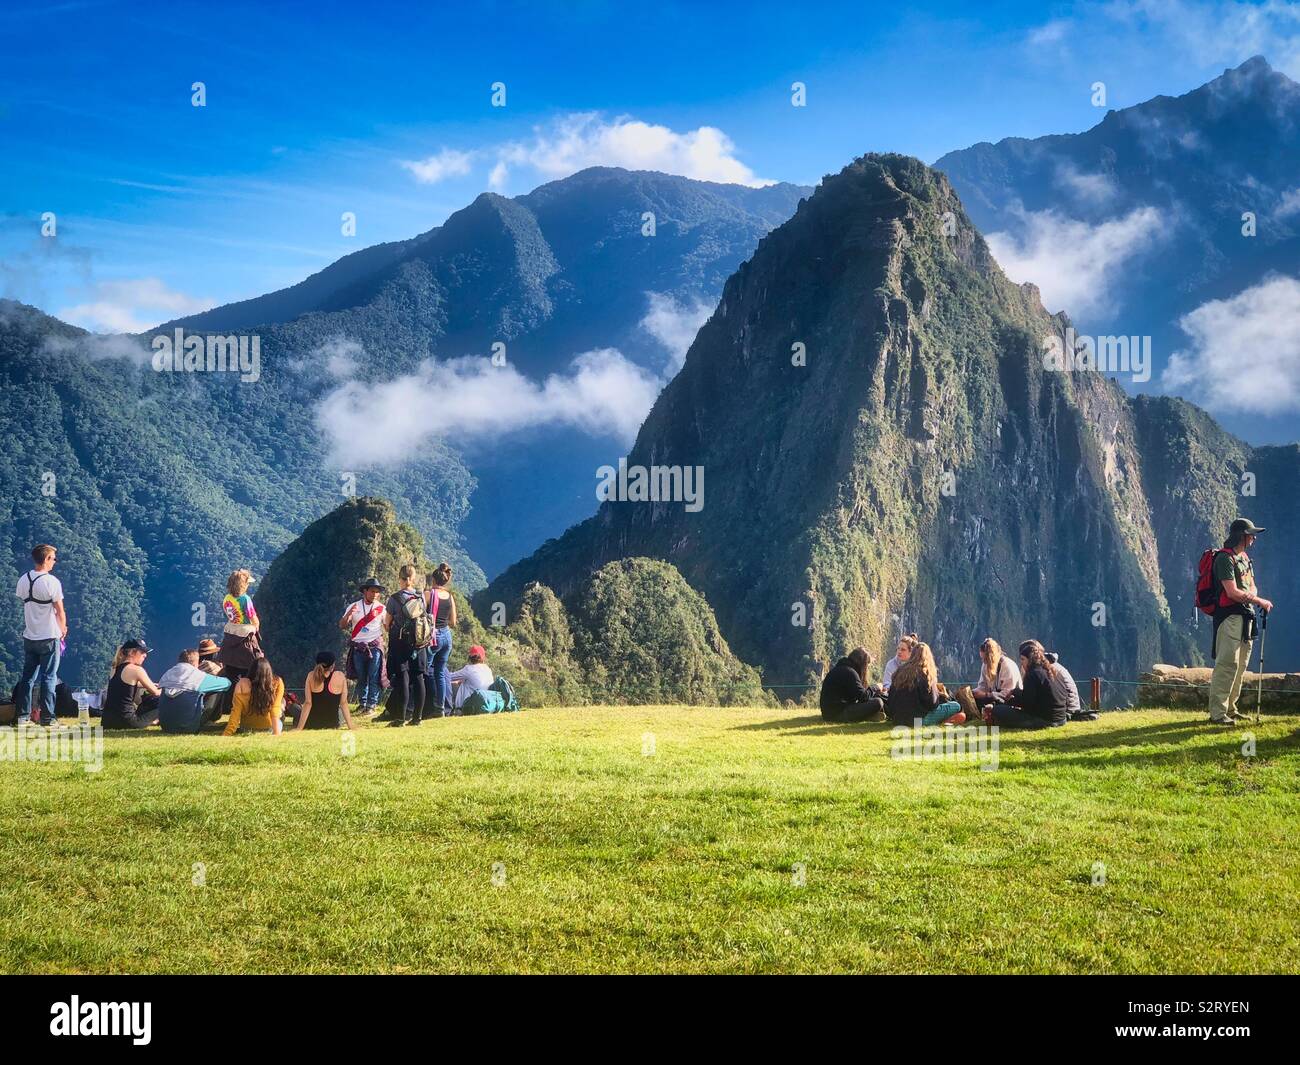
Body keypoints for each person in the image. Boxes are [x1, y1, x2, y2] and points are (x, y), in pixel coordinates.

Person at [1208, 518, 1272, 725]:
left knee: (1241, 664)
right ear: (1241, 536)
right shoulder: (1224, 559)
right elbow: (1232, 592)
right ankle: (1218, 713)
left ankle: (1231, 708)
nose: (1254, 538)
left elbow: (1252, 586)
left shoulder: (1243, 558)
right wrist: (1258, 600)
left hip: (1246, 616)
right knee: (1227, 663)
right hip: (1229, 617)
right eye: (1251, 534)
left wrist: (1253, 597)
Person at [14, 544, 68, 726]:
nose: (55, 562)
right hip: (49, 635)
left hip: (30, 635)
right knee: (49, 677)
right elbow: (60, 611)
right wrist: (62, 631)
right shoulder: (52, 582)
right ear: (46, 559)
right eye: (53, 558)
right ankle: (48, 717)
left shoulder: (23, 580)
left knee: (27, 678)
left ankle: (22, 716)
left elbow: (26, 602)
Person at [983, 640, 1068, 729]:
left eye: (1023, 659)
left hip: (1044, 720)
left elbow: (1028, 705)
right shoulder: (1051, 671)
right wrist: (1015, 692)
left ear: (1030, 660)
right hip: (1061, 719)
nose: (1021, 663)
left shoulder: (1032, 674)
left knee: (998, 710)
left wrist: (1010, 701)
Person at [383, 564, 427, 727]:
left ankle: (400, 718)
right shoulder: (420, 596)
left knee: (403, 679)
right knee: (418, 678)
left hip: (400, 642)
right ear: (413, 578)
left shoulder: (394, 599)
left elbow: (387, 624)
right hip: (419, 642)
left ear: (400, 579)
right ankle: (417, 718)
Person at [885, 642, 965, 726]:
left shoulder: (899, 671)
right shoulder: (925, 674)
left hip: (897, 719)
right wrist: (939, 695)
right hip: (916, 722)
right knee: (956, 706)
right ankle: (943, 722)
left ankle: (944, 721)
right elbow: (932, 704)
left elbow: (890, 698)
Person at [157, 649, 233, 733]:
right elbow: (227, 683)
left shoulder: (167, 674)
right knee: (218, 688)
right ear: (195, 663)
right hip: (189, 726)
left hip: (166, 726)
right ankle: (210, 720)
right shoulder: (197, 676)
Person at [341, 577, 386, 714]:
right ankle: (363, 703)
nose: (375, 594)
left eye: (377, 592)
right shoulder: (354, 606)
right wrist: (349, 615)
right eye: (372, 591)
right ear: (365, 591)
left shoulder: (381, 608)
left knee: (374, 676)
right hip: (358, 647)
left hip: (374, 646)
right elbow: (342, 625)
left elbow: (387, 626)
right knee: (361, 677)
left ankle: (371, 705)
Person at [102, 639, 162, 729]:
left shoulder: (114, 669)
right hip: (127, 721)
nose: (145, 655)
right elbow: (156, 693)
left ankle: (153, 722)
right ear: (132, 652)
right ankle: (155, 721)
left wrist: (152, 684)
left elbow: (125, 685)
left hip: (107, 722)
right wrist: (168, 690)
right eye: (142, 652)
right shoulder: (136, 670)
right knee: (164, 705)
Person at [218, 568, 263, 683]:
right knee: (251, 671)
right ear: (243, 585)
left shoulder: (227, 598)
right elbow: (253, 617)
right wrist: (257, 626)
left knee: (232, 676)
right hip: (245, 637)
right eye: (247, 583)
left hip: (230, 636)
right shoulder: (245, 599)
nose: (248, 585)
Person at [819, 647, 887, 723]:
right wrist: (876, 687)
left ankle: (867, 716)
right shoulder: (850, 673)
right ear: (862, 663)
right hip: (837, 714)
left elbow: (859, 693)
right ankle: (867, 716)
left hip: (830, 713)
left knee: (875, 696)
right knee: (878, 702)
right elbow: (864, 697)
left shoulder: (842, 668)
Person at [425, 563, 458, 717]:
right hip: (446, 636)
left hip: (433, 637)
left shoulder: (428, 594)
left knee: (424, 670)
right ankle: (441, 708)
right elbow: (453, 622)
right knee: (440, 672)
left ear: (433, 579)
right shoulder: (450, 596)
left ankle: (422, 705)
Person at [223, 656, 285, 736]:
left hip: (246, 728)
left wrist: (227, 733)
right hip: (269, 728)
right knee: (281, 707)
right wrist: (276, 733)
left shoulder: (241, 684)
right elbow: (275, 709)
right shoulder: (277, 682)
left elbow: (235, 712)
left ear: (251, 670)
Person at [297, 651, 356, 730]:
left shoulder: (311, 676)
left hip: (312, 724)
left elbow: (308, 703)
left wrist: (299, 728)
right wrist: (351, 726)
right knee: (340, 712)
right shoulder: (340, 676)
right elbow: (343, 703)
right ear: (332, 665)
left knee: (297, 710)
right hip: (332, 724)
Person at [972, 637, 1022, 707]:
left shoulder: (1008, 666)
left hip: (1010, 702)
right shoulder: (985, 665)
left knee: (996, 709)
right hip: (993, 698)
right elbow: (982, 686)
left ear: (991, 658)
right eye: (982, 659)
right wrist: (973, 693)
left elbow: (1006, 694)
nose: (983, 661)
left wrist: (986, 695)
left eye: (985, 659)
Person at [447, 645, 494, 713]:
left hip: (471, 704)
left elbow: (449, 677)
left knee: (452, 684)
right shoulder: (487, 669)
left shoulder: (468, 669)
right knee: (460, 682)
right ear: (482, 657)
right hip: (487, 702)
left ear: (470, 658)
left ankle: (455, 710)